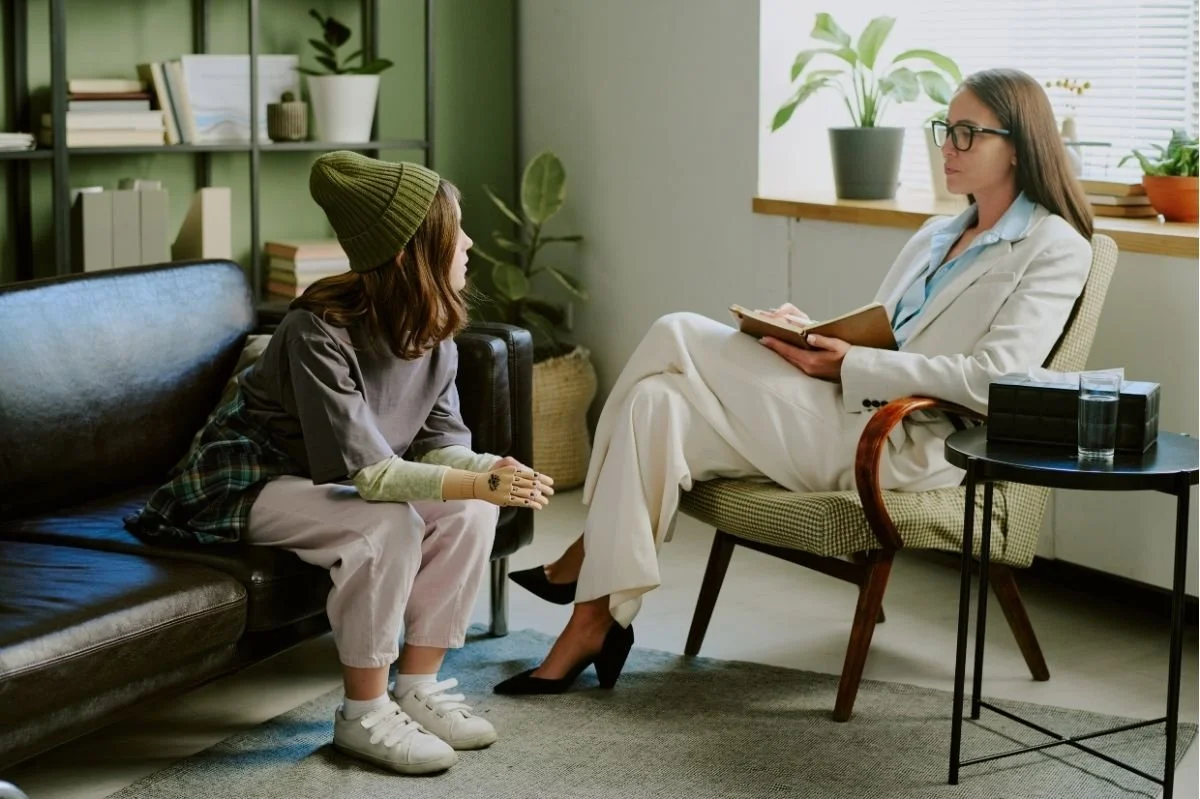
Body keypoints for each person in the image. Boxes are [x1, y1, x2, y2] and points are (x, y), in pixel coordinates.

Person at [496, 67, 1094, 695]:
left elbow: (996, 383)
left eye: (968, 133)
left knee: (675, 331)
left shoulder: (1055, 247)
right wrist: (811, 333)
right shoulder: (935, 234)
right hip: (847, 409)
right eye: (945, 128)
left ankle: (585, 552)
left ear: (1019, 145)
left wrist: (850, 364)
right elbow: (889, 335)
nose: (948, 145)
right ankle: (593, 622)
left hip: (907, 444)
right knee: (655, 402)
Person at [126, 152, 555, 774]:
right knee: (385, 524)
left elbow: (440, 445)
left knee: (470, 510)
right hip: (246, 479)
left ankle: (417, 688)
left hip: (327, 480)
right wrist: (477, 478)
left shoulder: (432, 330)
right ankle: (364, 713)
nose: (468, 243)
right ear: (408, 253)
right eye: (454, 230)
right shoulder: (317, 331)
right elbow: (372, 478)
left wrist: (490, 472)